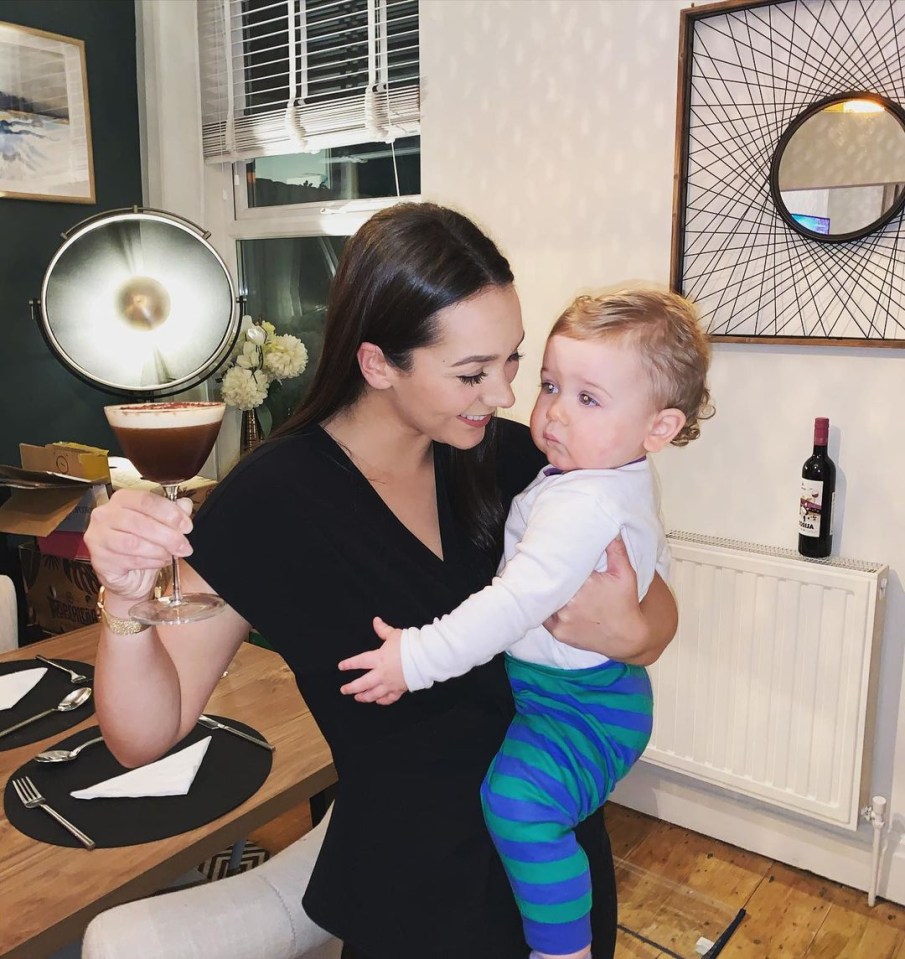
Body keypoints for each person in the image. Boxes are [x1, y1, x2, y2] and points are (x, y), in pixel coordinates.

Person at [84, 202, 679, 959]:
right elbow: (146, 736)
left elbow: (654, 606)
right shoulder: (273, 502)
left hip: (551, 863)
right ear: (376, 364)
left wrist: (635, 630)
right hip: (414, 900)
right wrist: (125, 600)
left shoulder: (523, 460)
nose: (503, 396)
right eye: (470, 372)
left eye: (512, 361)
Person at [337, 289, 713, 959]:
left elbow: (512, 602)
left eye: (587, 398)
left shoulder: (583, 502)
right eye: (549, 384)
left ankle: (562, 950)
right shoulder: (594, 476)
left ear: (658, 427)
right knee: (520, 804)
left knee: (518, 806)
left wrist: (413, 659)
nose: (550, 411)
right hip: (575, 694)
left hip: (582, 706)